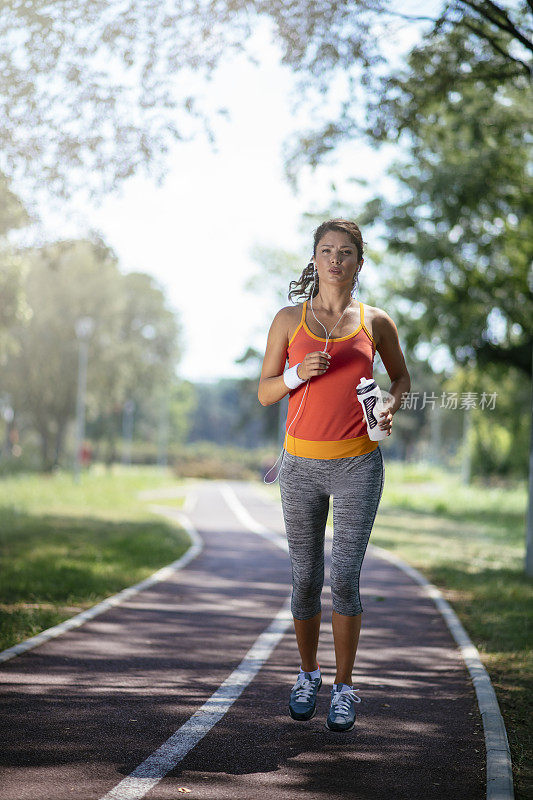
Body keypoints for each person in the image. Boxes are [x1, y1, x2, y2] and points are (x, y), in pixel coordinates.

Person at [258, 218, 411, 732]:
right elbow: (264, 392)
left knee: (344, 578)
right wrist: (298, 374)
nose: (336, 259)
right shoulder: (287, 320)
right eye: (327, 250)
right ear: (315, 258)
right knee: (305, 579)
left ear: (359, 263)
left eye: (346, 252)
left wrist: (390, 405)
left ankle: (345, 689)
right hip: (299, 465)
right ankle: (307, 674)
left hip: (358, 465)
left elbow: (403, 378)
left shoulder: (376, 321)